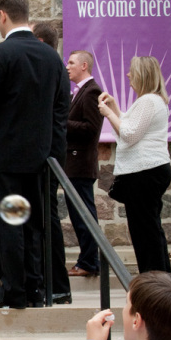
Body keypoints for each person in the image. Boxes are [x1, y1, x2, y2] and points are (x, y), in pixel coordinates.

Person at [0, 0, 70, 309]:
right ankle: (35, 289)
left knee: (6, 225)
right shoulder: (52, 57)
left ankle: (13, 291)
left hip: (2, 158)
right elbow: (60, 108)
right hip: (39, 158)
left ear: (1, 16)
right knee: (34, 225)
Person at [99, 55, 171, 274]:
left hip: (145, 172)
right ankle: (159, 280)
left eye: (132, 71)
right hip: (147, 172)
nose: (128, 74)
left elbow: (129, 134)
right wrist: (116, 108)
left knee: (145, 232)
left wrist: (108, 113)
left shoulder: (149, 100)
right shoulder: (149, 101)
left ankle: (153, 281)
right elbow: (130, 126)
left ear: (143, 75)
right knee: (149, 229)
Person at [31, 21, 72, 306]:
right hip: (46, 151)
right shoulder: (52, 66)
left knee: (48, 218)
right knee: (43, 218)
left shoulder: (52, 67)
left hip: (48, 155)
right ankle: (49, 282)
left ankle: (57, 284)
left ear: (41, 43)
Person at [64, 49, 103, 278]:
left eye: (71, 62)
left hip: (81, 163)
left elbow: (90, 129)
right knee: (79, 215)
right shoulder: (79, 92)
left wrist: (62, 122)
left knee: (84, 215)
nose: (67, 66)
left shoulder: (91, 91)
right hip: (73, 163)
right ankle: (87, 259)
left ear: (84, 66)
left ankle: (89, 261)